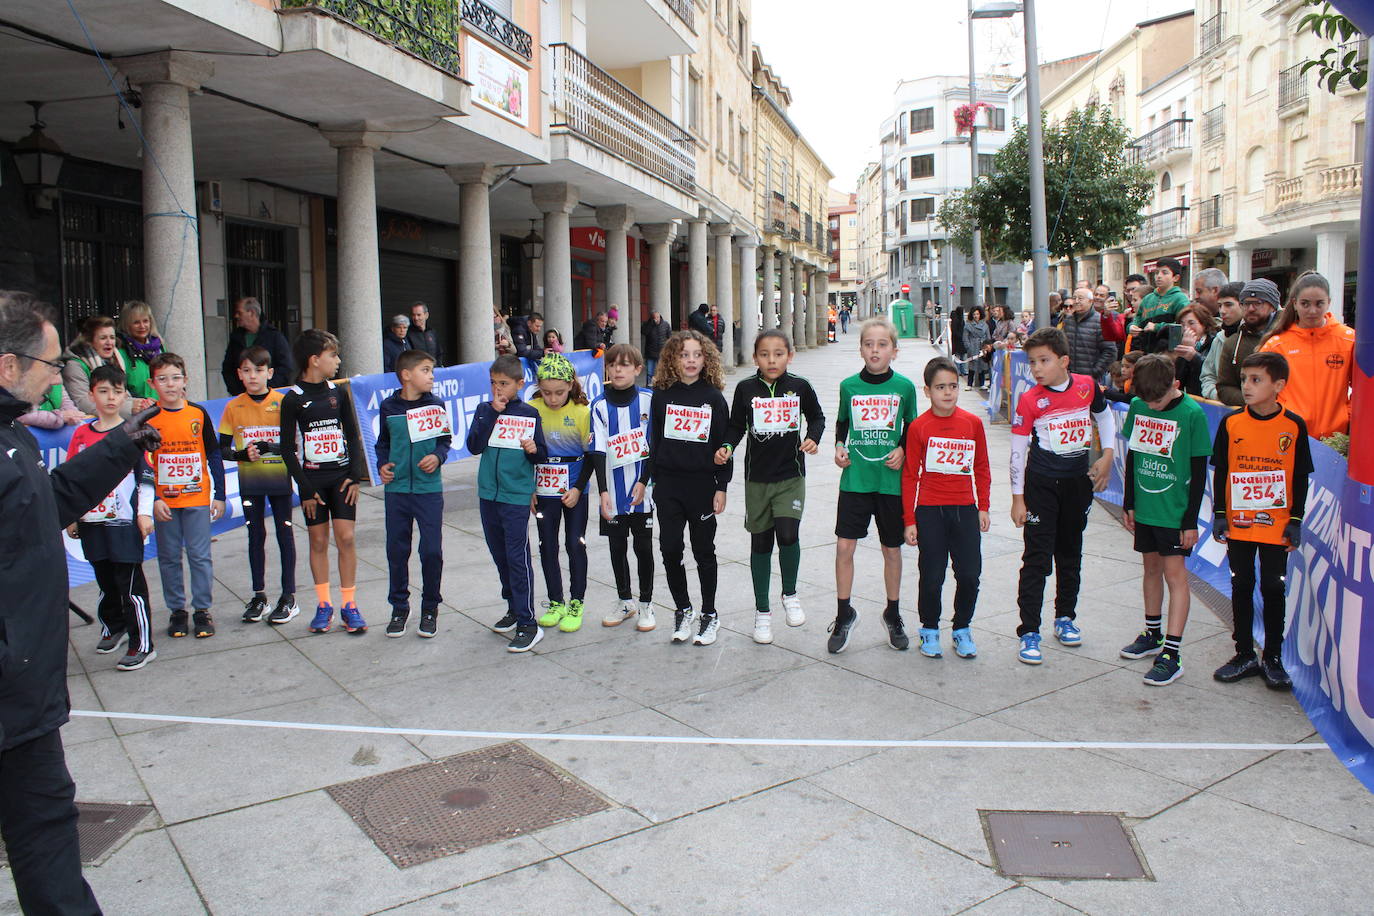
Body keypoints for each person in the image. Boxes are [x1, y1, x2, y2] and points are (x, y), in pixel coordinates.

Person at [0, 290, 162, 915]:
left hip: (27, 699)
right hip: (11, 685)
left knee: (46, 832)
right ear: (10, 366)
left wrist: (122, 443)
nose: (54, 382)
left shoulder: (10, 433)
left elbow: (52, 503)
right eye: (48, 367)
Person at [1009, 328, 1116, 665]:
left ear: (1064, 361)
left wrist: (1108, 454)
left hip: (1077, 484)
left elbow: (1104, 415)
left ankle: (1065, 618)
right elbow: (1016, 451)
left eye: (1044, 360)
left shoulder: (1086, 386)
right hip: (1041, 486)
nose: (1037, 368)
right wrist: (1017, 498)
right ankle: (1029, 630)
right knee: (1037, 559)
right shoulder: (1029, 399)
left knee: (1070, 553)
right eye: (1032, 362)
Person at [1211, 351, 1313, 690]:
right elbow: (1222, 470)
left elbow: (1299, 476)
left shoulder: (1293, 426)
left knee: (1273, 587)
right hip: (1240, 522)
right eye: (1244, 380)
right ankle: (1243, 653)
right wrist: (1221, 516)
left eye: (1256, 380)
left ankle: (1273, 656)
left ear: (1278, 385)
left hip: (1276, 524)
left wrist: (1295, 519)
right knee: (1240, 584)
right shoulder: (1231, 423)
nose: (1247, 386)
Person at [718, 329, 825, 643]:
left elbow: (817, 417)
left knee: (789, 534)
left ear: (789, 356)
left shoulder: (800, 387)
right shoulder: (746, 389)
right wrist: (727, 445)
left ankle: (789, 594)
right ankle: (762, 611)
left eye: (778, 353)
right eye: (764, 354)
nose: (771, 360)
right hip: (757, 480)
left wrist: (813, 438)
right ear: (755, 358)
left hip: (791, 476)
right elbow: (736, 425)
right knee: (761, 543)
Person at [1117, 354, 1212, 686]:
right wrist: (1129, 502)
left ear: (1175, 384)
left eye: (1157, 400)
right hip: (1145, 507)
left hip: (1174, 512)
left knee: (1176, 577)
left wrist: (1190, 521)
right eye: (1147, 401)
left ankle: (1172, 652)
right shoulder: (1141, 406)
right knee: (1150, 569)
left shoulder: (1192, 415)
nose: (1153, 407)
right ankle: (1152, 632)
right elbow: (1134, 453)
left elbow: (1200, 471)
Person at [829, 317, 920, 654]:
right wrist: (839, 447)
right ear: (861, 349)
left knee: (892, 550)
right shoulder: (849, 386)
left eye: (882, 345)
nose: (875, 350)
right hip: (856, 479)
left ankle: (893, 613)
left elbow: (912, 428)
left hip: (891, 483)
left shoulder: (905, 388)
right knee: (844, 549)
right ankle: (843, 613)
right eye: (869, 344)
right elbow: (841, 424)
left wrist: (903, 449)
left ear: (894, 351)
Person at [641, 329, 732, 646]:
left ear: (705, 358)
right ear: (672, 360)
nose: (691, 360)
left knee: (704, 551)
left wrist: (722, 486)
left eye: (696, 354)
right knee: (669, 549)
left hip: (702, 486)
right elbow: (654, 442)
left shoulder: (714, 398)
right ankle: (683, 609)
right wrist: (645, 480)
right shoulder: (662, 395)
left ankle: (710, 614)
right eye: (683, 354)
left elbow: (726, 445)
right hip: (668, 485)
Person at [65, 364, 157, 670]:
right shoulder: (80, 434)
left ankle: (141, 643)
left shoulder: (130, 432)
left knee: (129, 584)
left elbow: (145, 476)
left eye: (117, 392)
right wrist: (73, 515)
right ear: (92, 394)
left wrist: (144, 513)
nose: (110, 398)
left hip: (124, 522)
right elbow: (72, 479)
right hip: (93, 522)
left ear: (124, 395)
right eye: (102, 391)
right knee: (105, 579)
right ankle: (113, 626)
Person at [901, 356, 990, 660]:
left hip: (965, 508)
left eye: (953, 386)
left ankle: (962, 627)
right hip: (930, 510)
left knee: (969, 574)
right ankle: (929, 628)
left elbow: (981, 467)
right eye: (940, 387)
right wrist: (909, 519)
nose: (948, 393)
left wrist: (984, 506)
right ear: (927, 391)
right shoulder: (918, 427)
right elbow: (911, 474)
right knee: (932, 575)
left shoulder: (972, 423)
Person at [280, 329, 368, 635]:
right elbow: (287, 448)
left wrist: (355, 476)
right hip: (313, 483)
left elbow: (354, 436)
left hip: (341, 479)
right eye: (333, 355)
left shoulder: (337, 392)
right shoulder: (293, 399)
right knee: (318, 541)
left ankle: (350, 605)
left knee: (345, 538)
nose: (338, 360)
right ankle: (323, 604)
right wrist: (304, 487)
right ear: (314, 360)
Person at [465, 353, 549, 652]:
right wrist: (490, 413)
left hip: (515, 494)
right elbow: (473, 445)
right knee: (499, 554)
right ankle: (513, 606)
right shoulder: (484, 410)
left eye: (504, 384)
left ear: (519, 383)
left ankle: (529, 622)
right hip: (488, 492)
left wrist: (532, 448)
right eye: (493, 383)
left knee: (517, 556)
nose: (497, 389)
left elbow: (541, 455)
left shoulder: (529, 413)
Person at [140, 353, 226, 639]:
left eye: (176, 378)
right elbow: (143, 462)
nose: (170, 384)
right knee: (168, 557)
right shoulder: (148, 418)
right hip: (165, 501)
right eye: (162, 379)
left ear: (185, 381)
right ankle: (177, 610)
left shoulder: (197, 414)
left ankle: (202, 609)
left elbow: (213, 453)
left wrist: (220, 494)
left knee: (200, 556)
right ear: (152, 384)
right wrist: (153, 499)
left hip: (197, 498)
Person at [219, 346, 298, 626]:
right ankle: (259, 595)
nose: (253, 376)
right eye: (247, 371)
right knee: (255, 536)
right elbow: (222, 449)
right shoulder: (233, 406)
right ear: (239, 374)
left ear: (270, 373)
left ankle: (289, 596)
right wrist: (243, 455)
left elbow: (293, 445)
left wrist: (269, 446)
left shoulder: (283, 402)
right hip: (250, 483)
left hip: (279, 482)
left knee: (284, 535)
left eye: (259, 370)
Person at [376, 348, 451, 639]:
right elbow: (382, 443)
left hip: (428, 490)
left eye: (432, 370)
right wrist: (382, 465)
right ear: (406, 375)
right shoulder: (388, 406)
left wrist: (438, 456)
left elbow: (445, 441)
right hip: (397, 491)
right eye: (426, 370)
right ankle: (399, 607)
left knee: (431, 550)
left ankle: (430, 607)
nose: (431, 376)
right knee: (397, 550)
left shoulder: (437, 405)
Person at [591, 343, 658, 629]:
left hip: (643, 491)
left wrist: (644, 482)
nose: (618, 369)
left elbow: (656, 446)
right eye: (613, 364)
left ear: (637, 369)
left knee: (643, 549)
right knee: (617, 548)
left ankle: (646, 604)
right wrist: (603, 492)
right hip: (614, 495)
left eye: (625, 364)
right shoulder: (599, 405)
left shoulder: (649, 400)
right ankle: (625, 601)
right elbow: (597, 451)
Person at [530, 353, 595, 635]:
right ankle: (555, 601)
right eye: (546, 393)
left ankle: (576, 602)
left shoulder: (582, 412)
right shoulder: (531, 409)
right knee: (547, 545)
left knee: (574, 543)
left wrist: (578, 488)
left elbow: (591, 455)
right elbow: (523, 453)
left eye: (559, 392)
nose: (552, 399)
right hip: (544, 488)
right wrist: (528, 488)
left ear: (570, 386)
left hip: (573, 487)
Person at [1258, 271, 1355, 440]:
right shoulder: (1277, 345)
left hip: (1336, 439)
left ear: (1329, 303)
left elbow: (1364, 388)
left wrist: (1348, 416)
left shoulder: (1349, 339)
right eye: (1305, 304)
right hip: (1288, 437)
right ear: (1294, 304)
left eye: (1319, 304)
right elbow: (1260, 388)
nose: (1312, 311)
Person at [62, 314, 153, 417]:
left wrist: (142, 403)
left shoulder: (116, 360)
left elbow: (121, 395)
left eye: (112, 337)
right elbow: (82, 403)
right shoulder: (74, 366)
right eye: (103, 338)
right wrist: (130, 408)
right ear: (90, 342)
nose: (109, 342)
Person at [1215, 279, 1280, 406]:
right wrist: (1253, 401)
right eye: (1246, 303)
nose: (1251, 308)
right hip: (1248, 417)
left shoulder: (1287, 337)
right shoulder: (1233, 343)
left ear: (1272, 306)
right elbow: (1224, 387)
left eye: (1258, 303)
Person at [221, 296, 293, 395]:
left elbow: (285, 367)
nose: (236, 316)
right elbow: (227, 368)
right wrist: (236, 391)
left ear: (251, 313)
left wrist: (266, 389)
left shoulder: (274, 336)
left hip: (270, 396)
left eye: (240, 313)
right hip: (241, 397)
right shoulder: (236, 337)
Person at [1129, 258, 1190, 353]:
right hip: (1146, 353)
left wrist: (1157, 327)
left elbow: (1184, 326)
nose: (1159, 276)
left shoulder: (1180, 299)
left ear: (1176, 278)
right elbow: (1138, 318)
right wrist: (1133, 326)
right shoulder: (1147, 299)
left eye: (1164, 273)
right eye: (1156, 273)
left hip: (1168, 354)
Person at [1057, 288, 1115, 381]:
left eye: (1080, 298)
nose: (1076, 301)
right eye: (1074, 298)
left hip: (1090, 378)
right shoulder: (1067, 320)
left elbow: (1110, 351)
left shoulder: (1100, 321)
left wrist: (1094, 372)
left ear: (1090, 301)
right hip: (1069, 377)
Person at [1200, 281, 1245, 400]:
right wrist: (1216, 394)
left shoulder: (1256, 337)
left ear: (1243, 305)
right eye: (1220, 305)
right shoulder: (1219, 339)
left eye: (1228, 305)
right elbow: (1207, 375)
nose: (1222, 311)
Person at [1172, 304, 1219, 397]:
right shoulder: (1180, 343)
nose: (1186, 328)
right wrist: (1182, 355)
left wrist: (1194, 356)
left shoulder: (1215, 342)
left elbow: (1212, 371)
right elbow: (1179, 377)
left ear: (1204, 324)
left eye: (1191, 323)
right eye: (1182, 324)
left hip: (1208, 396)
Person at [118, 299, 164, 385]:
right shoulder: (121, 353)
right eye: (136, 322)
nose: (142, 326)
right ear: (127, 324)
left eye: (145, 321)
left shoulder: (160, 347)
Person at [407, 300, 445, 367]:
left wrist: (438, 367)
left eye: (419, 315)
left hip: (434, 371)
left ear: (426, 315)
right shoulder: (408, 334)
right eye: (413, 315)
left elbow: (439, 352)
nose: (416, 318)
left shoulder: (432, 332)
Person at [962, 306, 992, 390]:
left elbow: (988, 336)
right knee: (972, 365)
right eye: (974, 314)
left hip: (982, 346)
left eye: (977, 314)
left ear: (980, 314)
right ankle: (969, 384)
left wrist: (987, 346)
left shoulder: (985, 324)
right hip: (973, 345)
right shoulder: (968, 325)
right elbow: (965, 337)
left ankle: (982, 383)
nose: (976, 316)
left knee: (982, 365)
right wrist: (968, 346)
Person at [1093, 285, 1126, 358]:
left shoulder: (1115, 316)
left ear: (1107, 298)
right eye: (1096, 294)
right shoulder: (1086, 314)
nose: (1097, 297)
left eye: (1101, 295)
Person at [642, 309, 671, 380]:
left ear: (660, 316)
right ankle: (649, 387)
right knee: (650, 372)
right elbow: (644, 332)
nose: (656, 319)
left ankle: (661, 386)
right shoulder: (647, 324)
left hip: (661, 351)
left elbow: (669, 336)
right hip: (650, 352)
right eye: (654, 317)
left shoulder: (665, 324)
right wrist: (651, 324)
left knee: (662, 371)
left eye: (657, 317)